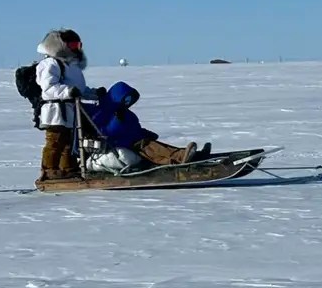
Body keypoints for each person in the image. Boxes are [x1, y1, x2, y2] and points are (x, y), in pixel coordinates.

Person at [84, 82, 209, 171]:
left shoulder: (125, 113)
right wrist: (117, 120)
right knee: (151, 149)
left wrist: (145, 133)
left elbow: (133, 128)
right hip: (122, 144)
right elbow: (104, 132)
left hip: (135, 140)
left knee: (156, 145)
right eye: (125, 100)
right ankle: (180, 158)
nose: (128, 103)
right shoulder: (101, 113)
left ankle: (191, 155)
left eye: (129, 101)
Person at [35, 28, 100, 181]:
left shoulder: (71, 66)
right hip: (55, 110)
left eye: (77, 45)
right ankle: (49, 170)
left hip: (70, 110)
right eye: (71, 46)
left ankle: (67, 168)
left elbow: (79, 89)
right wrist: (68, 92)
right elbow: (49, 88)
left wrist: (94, 93)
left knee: (69, 142)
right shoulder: (50, 64)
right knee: (55, 141)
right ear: (60, 46)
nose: (75, 49)